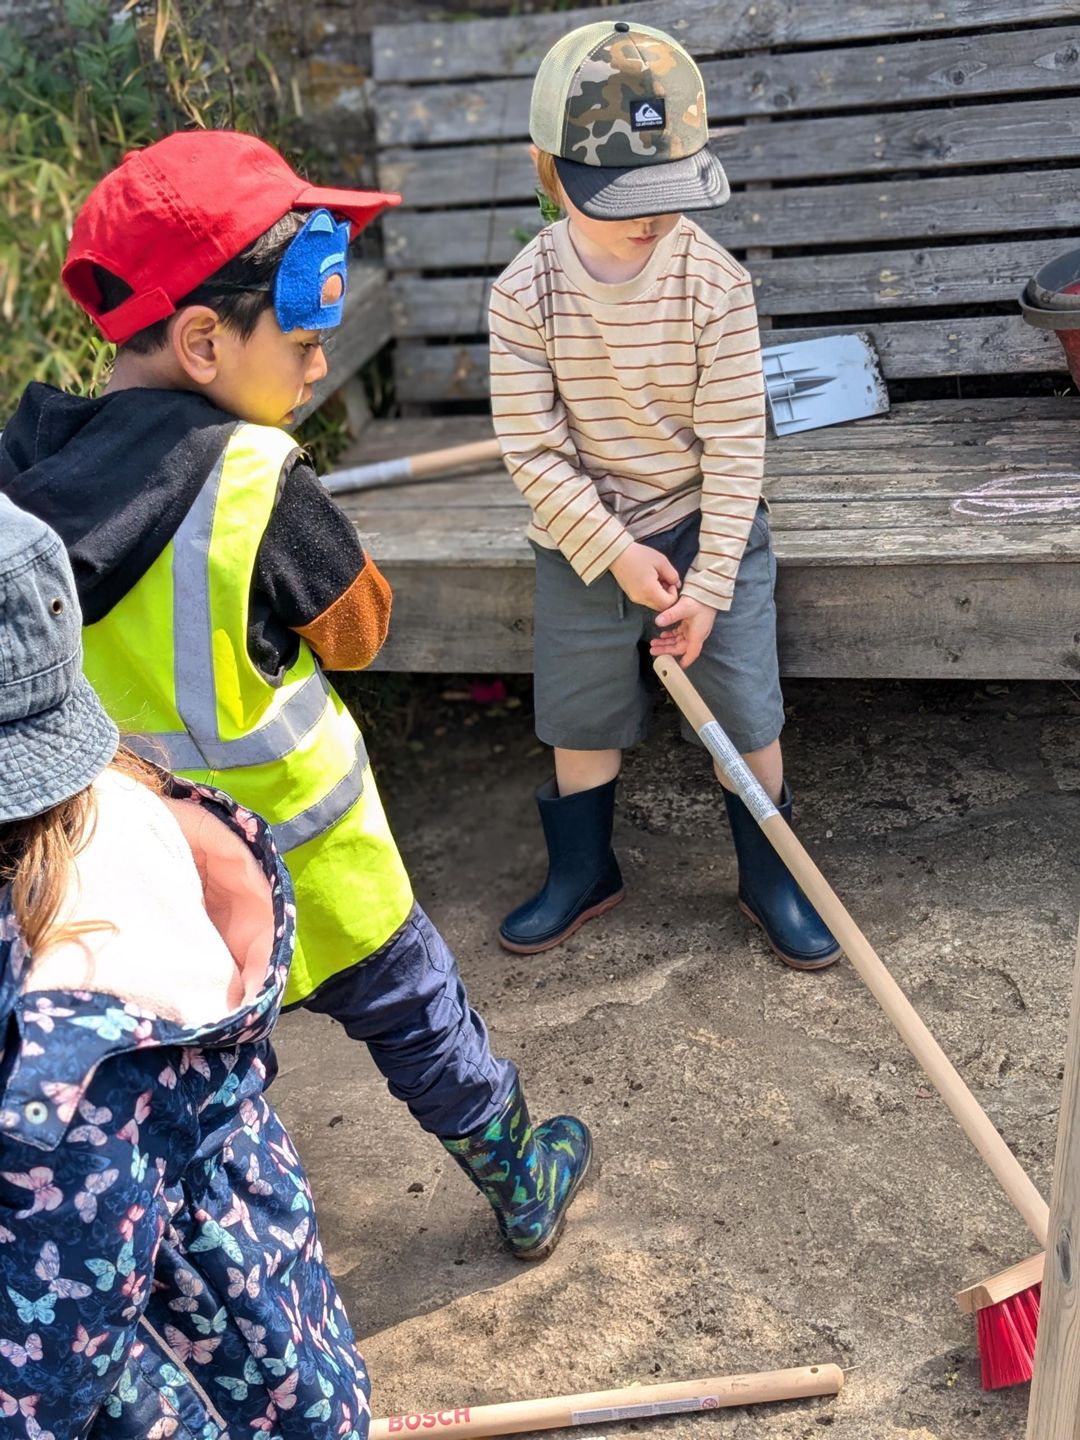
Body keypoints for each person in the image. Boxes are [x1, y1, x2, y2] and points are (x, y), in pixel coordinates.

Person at [0, 130, 589, 1261]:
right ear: (204, 341)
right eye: (306, 342)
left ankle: (220, 1263)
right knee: (419, 1016)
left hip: (159, 875)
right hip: (315, 856)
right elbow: (360, 631)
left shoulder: (25, 475)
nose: (318, 368)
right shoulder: (258, 479)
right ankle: (522, 1175)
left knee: (212, 1078)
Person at [0, 494, 371, 1437]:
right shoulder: (129, 803)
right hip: (255, 1270)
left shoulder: (62, 1049)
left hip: (179, 1366)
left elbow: (55, 1345)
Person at [489, 21, 840, 971]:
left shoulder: (713, 284)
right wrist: (610, 550)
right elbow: (533, 449)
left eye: (669, 193)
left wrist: (712, 581)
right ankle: (583, 871)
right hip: (581, 537)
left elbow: (735, 445)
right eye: (623, 200)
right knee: (579, 717)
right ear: (548, 170)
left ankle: (772, 877)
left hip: (702, 522)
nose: (651, 221)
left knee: (743, 712)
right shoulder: (524, 294)